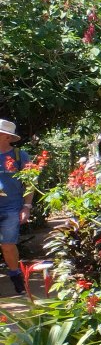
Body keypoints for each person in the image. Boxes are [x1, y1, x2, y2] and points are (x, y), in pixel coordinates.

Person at [0, 119, 35, 296]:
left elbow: (29, 183)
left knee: (7, 245)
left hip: (11, 208)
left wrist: (26, 207)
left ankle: (17, 280)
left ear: (6, 136)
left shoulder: (20, 155)